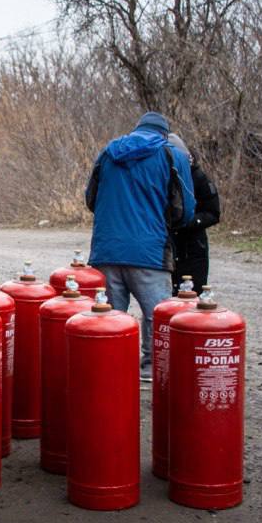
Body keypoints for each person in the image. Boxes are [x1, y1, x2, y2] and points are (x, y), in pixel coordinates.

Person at [85, 111, 195, 382]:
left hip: (106, 251)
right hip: (150, 251)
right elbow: (186, 210)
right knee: (156, 317)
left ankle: (108, 371)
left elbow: (91, 199)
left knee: (107, 317)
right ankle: (150, 370)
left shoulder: (108, 153)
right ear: (164, 133)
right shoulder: (173, 156)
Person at [166, 132, 221, 293]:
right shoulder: (161, 176)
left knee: (192, 293)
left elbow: (213, 213)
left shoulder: (198, 177)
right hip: (167, 246)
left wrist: (188, 221)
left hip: (192, 247)